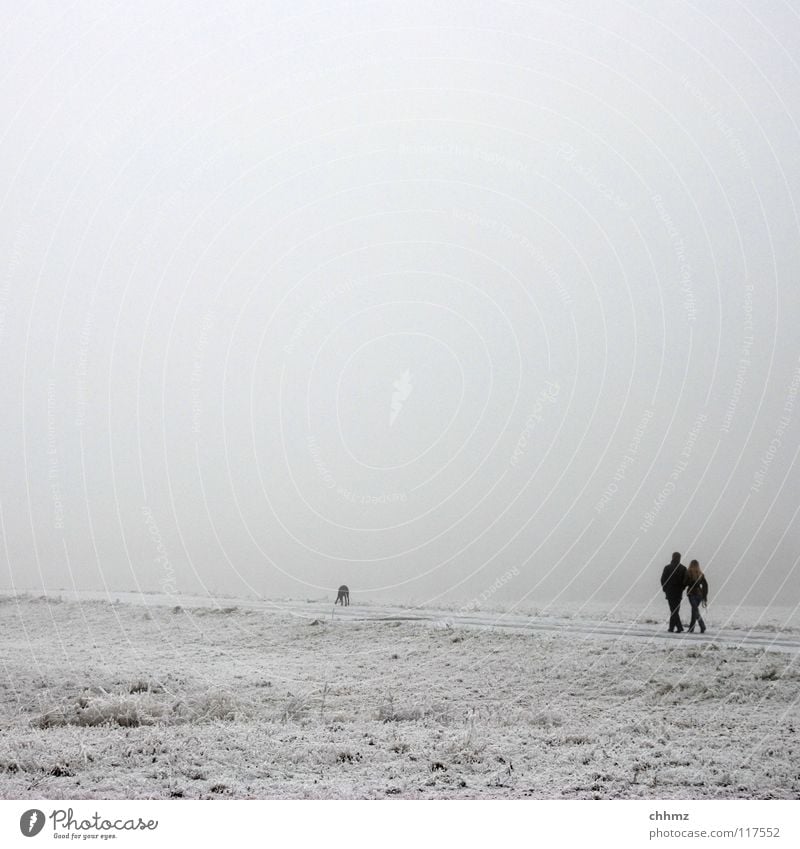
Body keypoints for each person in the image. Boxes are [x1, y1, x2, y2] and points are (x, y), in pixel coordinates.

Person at [660, 552, 687, 632]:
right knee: (675, 610)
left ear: (672, 557)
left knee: (673, 610)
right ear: (679, 558)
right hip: (678, 592)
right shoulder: (683, 568)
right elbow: (685, 581)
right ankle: (674, 627)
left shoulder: (667, 568)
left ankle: (676, 627)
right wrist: (682, 588)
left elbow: (663, 579)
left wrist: (665, 589)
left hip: (670, 591)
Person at [685, 560, 708, 633]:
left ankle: (702, 625)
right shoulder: (701, 574)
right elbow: (705, 585)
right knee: (694, 610)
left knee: (695, 610)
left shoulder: (688, 572)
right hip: (699, 594)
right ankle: (691, 628)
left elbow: (685, 582)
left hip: (691, 593)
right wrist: (704, 596)